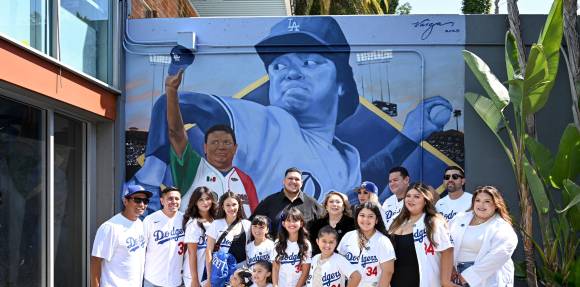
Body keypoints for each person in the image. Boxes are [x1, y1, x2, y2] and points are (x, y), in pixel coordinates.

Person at [130, 16, 452, 205]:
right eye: (279, 65)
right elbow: (183, 106)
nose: (290, 72)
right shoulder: (270, 122)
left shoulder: (346, 157)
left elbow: (366, 176)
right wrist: (150, 177)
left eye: (309, 62)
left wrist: (411, 134)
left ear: (342, 83)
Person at [436, 165, 473, 287]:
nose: (450, 179)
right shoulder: (439, 205)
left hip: (467, 259)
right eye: (447, 176)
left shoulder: (472, 201)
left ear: (463, 180)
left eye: (455, 176)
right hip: (445, 259)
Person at [378, 166, 410, 287]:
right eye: (390, 181)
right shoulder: (388, 202)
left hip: (407, 253)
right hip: (390, 253)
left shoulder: (414, 199)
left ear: (406, 180)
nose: (392, 184)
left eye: (396, 180)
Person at [252, 167, 324, 237]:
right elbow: (252, 223)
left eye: (297, 179)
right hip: (273, 244)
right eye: (290, 178)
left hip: (304, 245)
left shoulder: (312, 204)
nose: (293, 181)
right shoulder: (269, 201)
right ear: (283, 181)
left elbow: (324, 227)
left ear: (301, 183)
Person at [308, 191, 355, 256]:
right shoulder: (316, 225)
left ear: (344, 207)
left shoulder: (353, 224)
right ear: (326, 206)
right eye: (331, 202)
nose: (334, 204)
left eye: (338, 202)